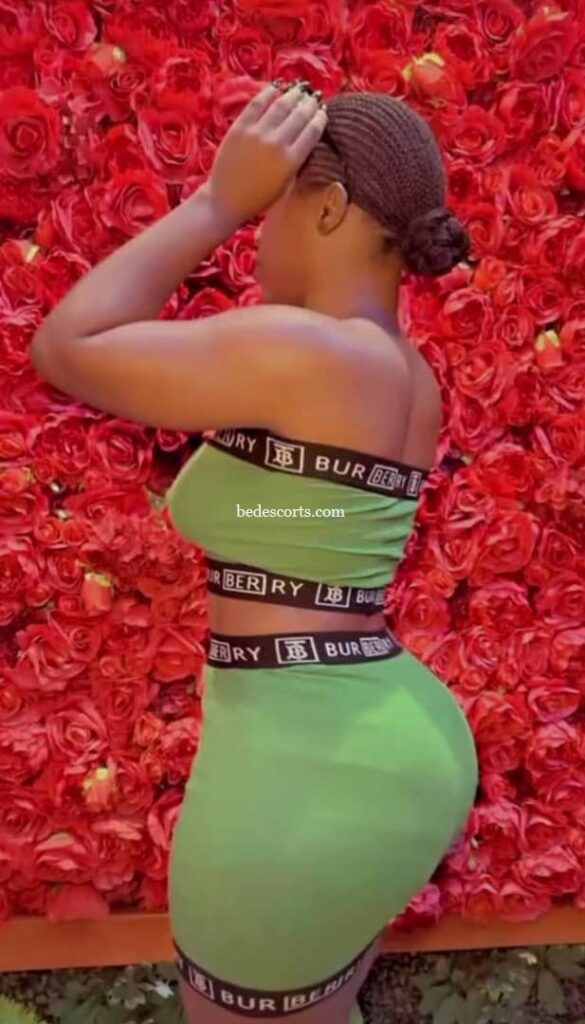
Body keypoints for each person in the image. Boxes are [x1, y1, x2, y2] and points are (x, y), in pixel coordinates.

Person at [31, 81, 479, 1024]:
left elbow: (66, 346)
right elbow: (299, 522)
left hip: (308, 757)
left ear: (327, 208)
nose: (255, 234)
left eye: (271, 207)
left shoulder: (313, 352)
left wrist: (213, 202)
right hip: (376, 734)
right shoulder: (405, 375)